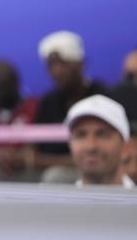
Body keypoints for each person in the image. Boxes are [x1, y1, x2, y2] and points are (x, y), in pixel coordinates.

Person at [33, 30, 109, 183]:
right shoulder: (48, 102)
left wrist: (40, 161)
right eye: (51, 65)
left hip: (94, 171)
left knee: (55, 176)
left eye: (62, 63)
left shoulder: (102, 98)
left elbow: (101, 153)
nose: (57, 71)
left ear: (81, 64)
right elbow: (35, 148)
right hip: (45, 169)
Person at [0, 60, 41, 183]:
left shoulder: (35, 107)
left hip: (30, 167)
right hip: (2, 169)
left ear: (15, 82)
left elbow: (43, 144)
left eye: (3, 85)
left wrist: (24, 154)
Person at [63, 95, 135, 187]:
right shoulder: (52, 200)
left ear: (126, 147)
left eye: (102, 135)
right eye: (81, 135)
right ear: (70, 145)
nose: (91, 146)